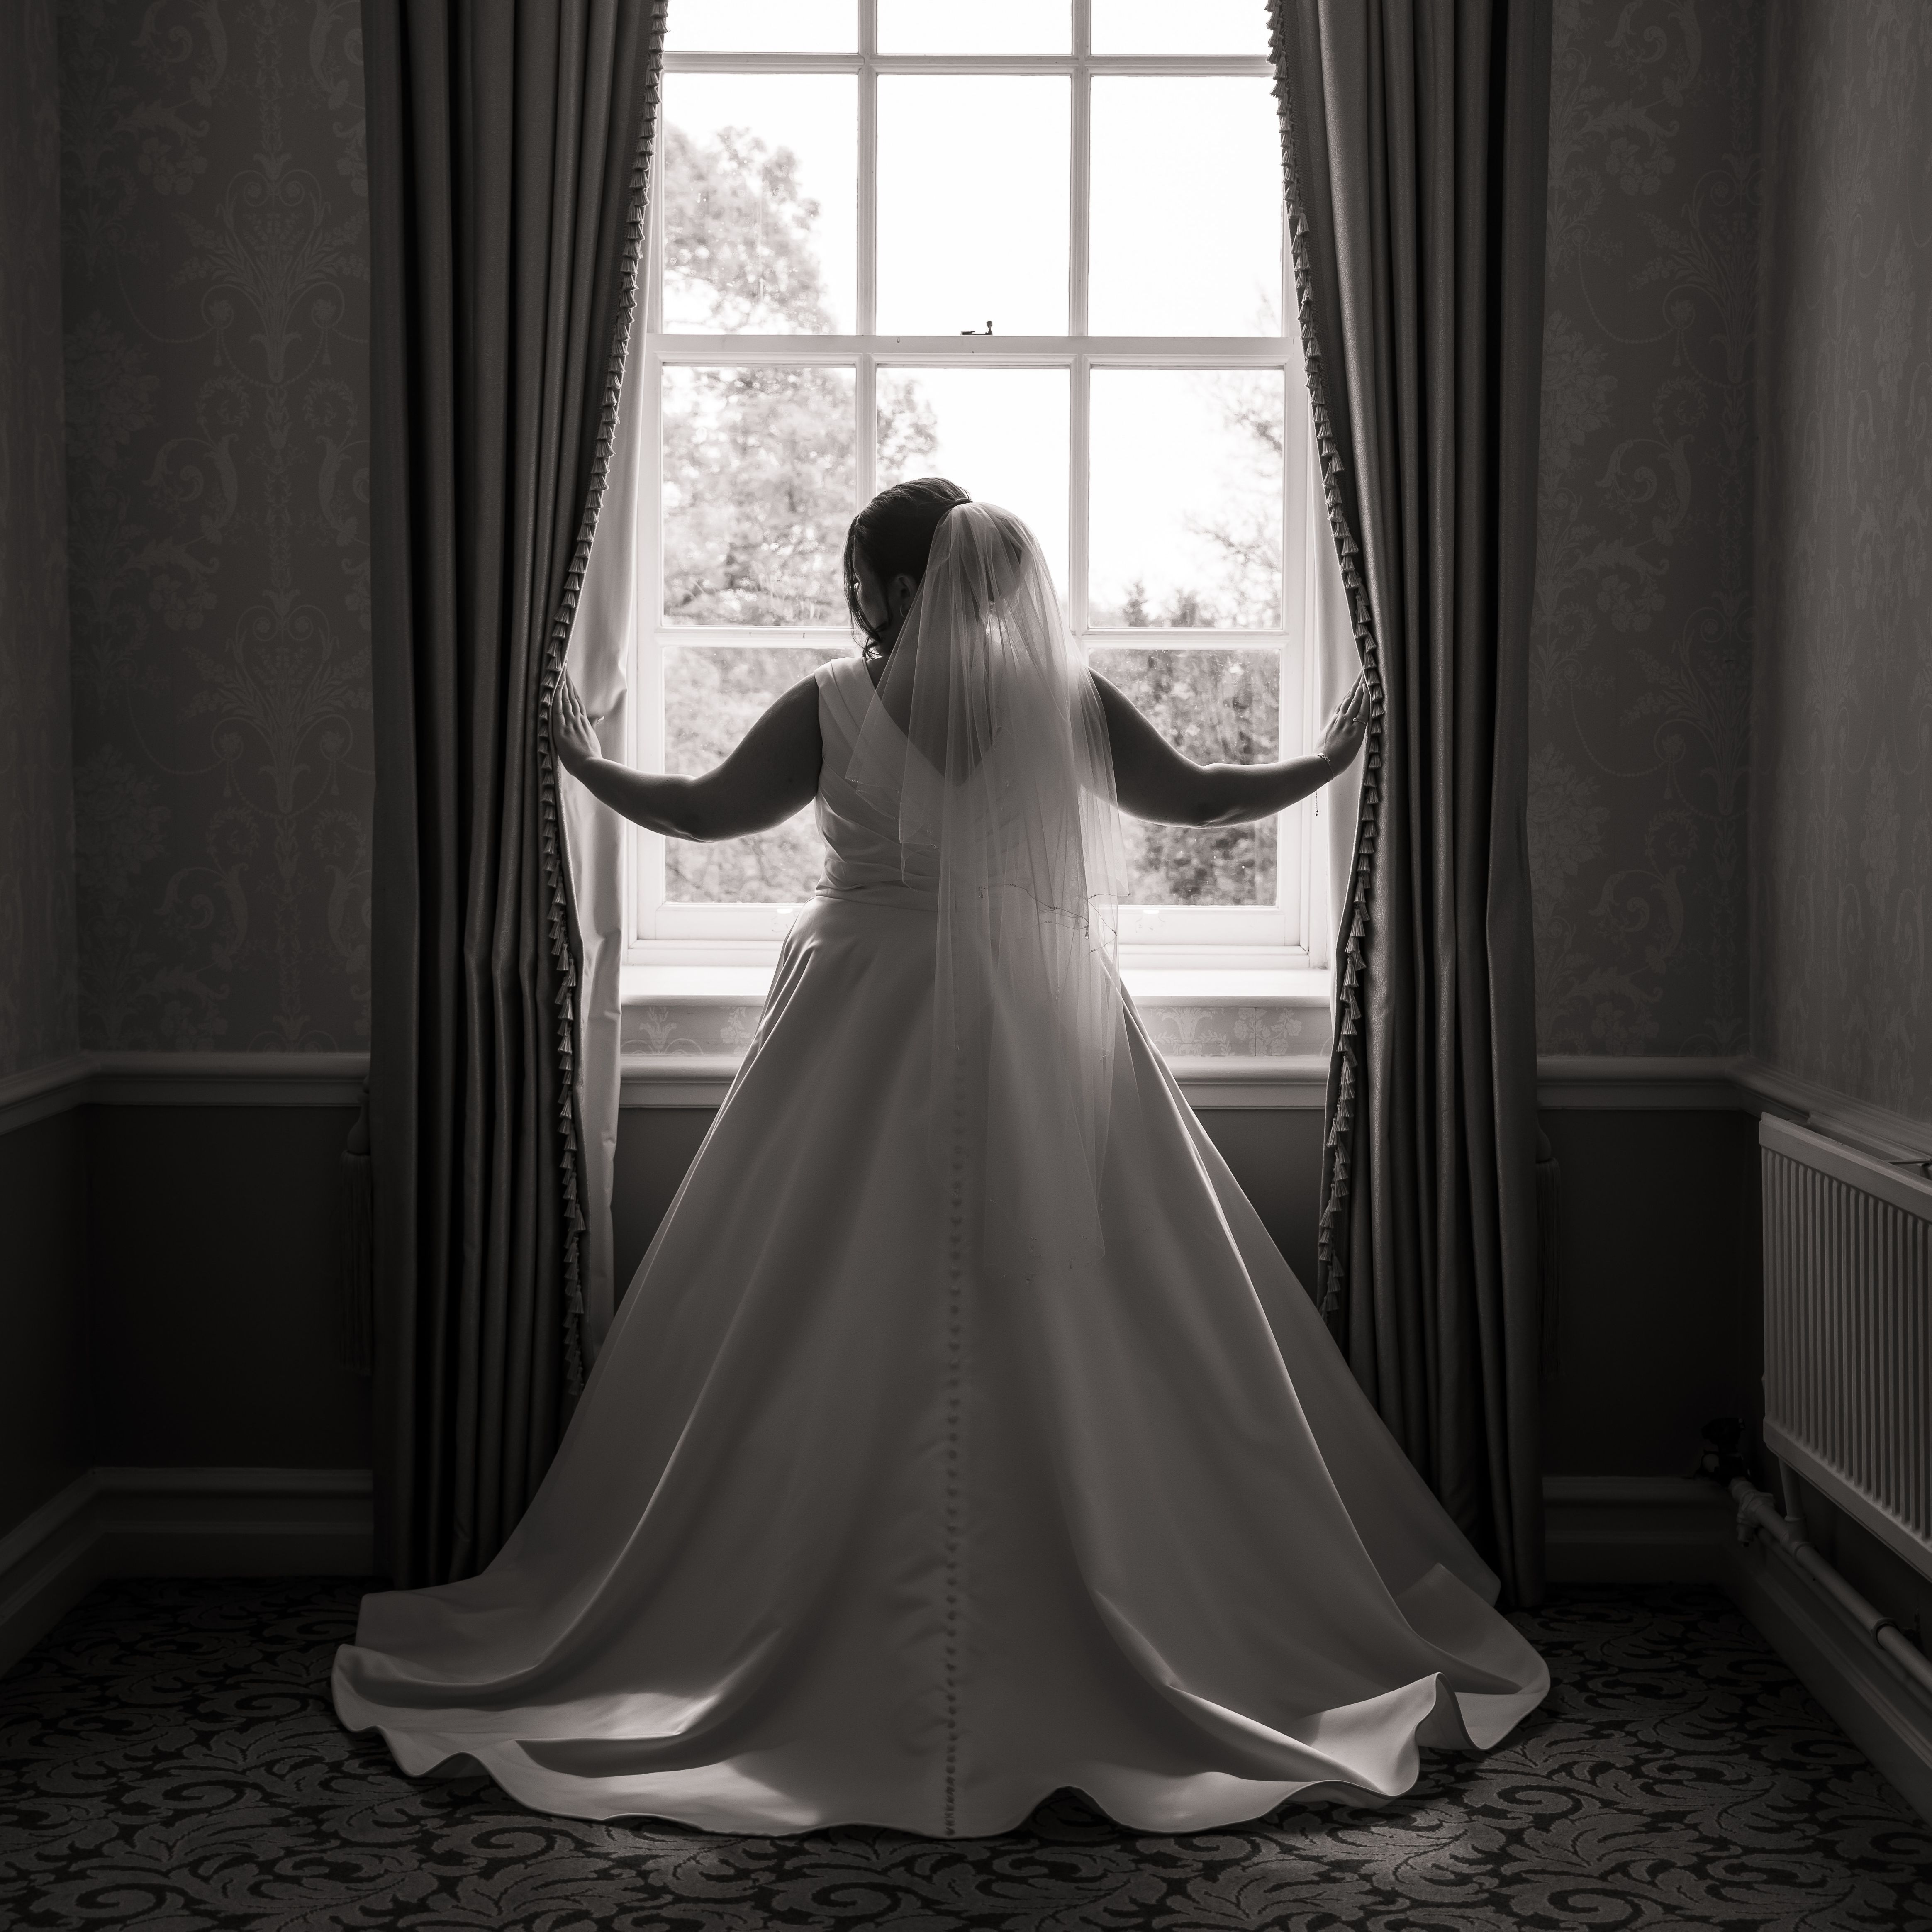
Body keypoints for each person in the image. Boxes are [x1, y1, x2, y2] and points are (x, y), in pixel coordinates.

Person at [333, 479, 1547, 1839]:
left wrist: (576, 758)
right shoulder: (1061, 702)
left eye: (859, 576)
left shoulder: (832, 706)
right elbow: (1204, 799)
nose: (852, 601)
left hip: (860, 1018)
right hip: (1043, 1024)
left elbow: (690, 816)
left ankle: (806, 1617)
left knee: (815, 1305)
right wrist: (1328, 764)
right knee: (1083, 1306)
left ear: (896, 588)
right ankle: (1101, 1601)